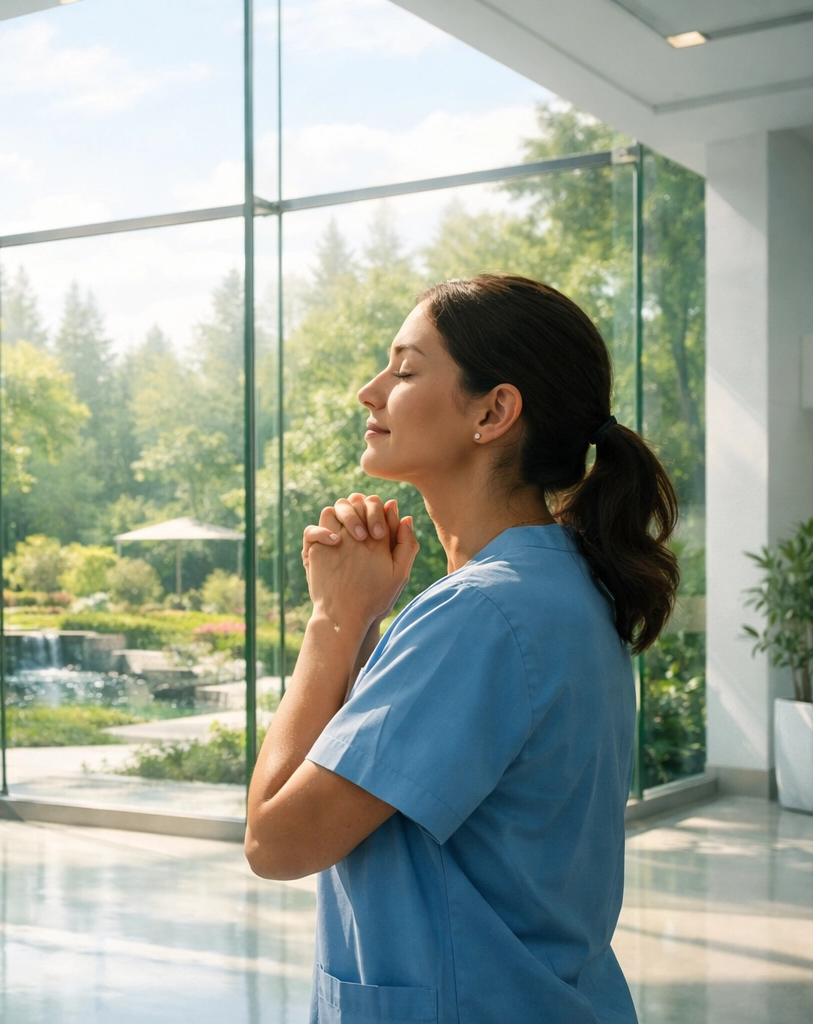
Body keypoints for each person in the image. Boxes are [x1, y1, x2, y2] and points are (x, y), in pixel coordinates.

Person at [244, 274, 679, 1023]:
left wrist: (334, 623)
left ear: (493, 411)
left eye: (406, 370)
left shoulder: (478, 613)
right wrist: (369, 616)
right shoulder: (563, 585)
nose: (369, 392)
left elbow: (276, 842)